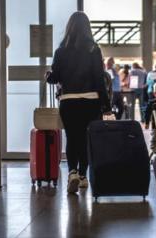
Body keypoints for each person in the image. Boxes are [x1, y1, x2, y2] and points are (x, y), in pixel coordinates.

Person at [46, 11, 112, 194]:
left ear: (69, 28)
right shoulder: (94, 49)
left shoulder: (60, 51)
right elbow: (100, 79)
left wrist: (49, 76)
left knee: (72, 138)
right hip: (91, 101)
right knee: (86, 139)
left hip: (69, 101)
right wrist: (106, 106)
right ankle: (83, 176)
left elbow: (55, 77)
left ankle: (73, 172)